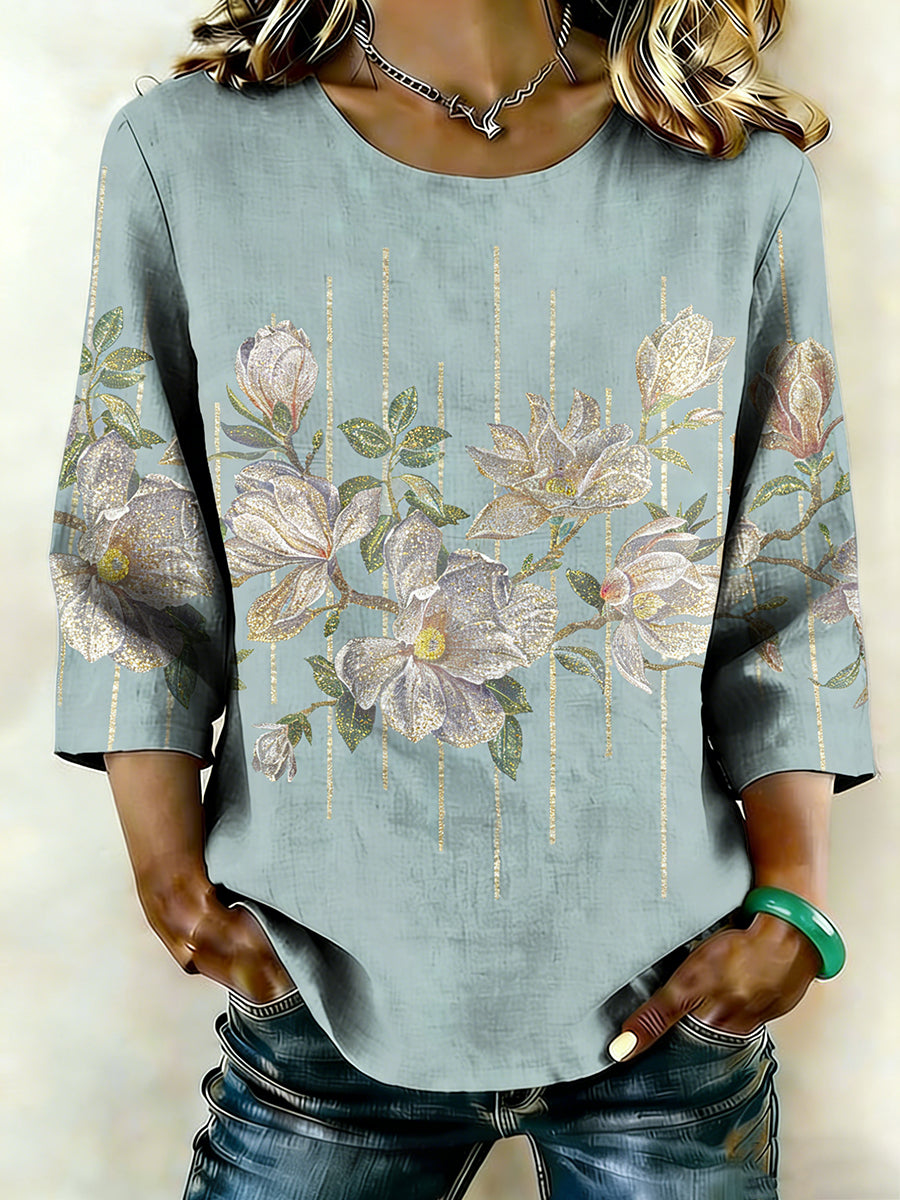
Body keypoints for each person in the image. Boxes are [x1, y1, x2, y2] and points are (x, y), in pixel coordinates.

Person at [48, 0, 879, 1196]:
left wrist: (793, 907)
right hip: (316, 988)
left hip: (670, 999)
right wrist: (167, 876)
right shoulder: (184, 155)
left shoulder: (732, 175)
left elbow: (789, 579)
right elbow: (131, 540)